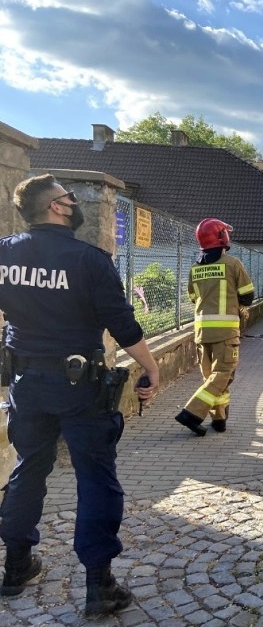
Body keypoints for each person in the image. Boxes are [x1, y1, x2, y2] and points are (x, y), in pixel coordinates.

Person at [0, 174, 159, 616]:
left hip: (26, 385)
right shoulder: (89, 260)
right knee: (95, 479)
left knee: (28, 467)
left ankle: (15, 567)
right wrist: (150, 366)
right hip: (80, 388)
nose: (74, 202)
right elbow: (123, 327)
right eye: (69, 197)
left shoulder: (4, 253)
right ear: (57, 207)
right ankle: (99, 586)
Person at [175, 218, 254, 437]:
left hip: (201, 332)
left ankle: (219, 420)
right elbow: (248, 296)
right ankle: (191, 413)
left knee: (212, 377)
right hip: (226, 331)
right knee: (222, 374)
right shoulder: (232, 264)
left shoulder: (194, 269)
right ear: (221, 237)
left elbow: (193, 297)